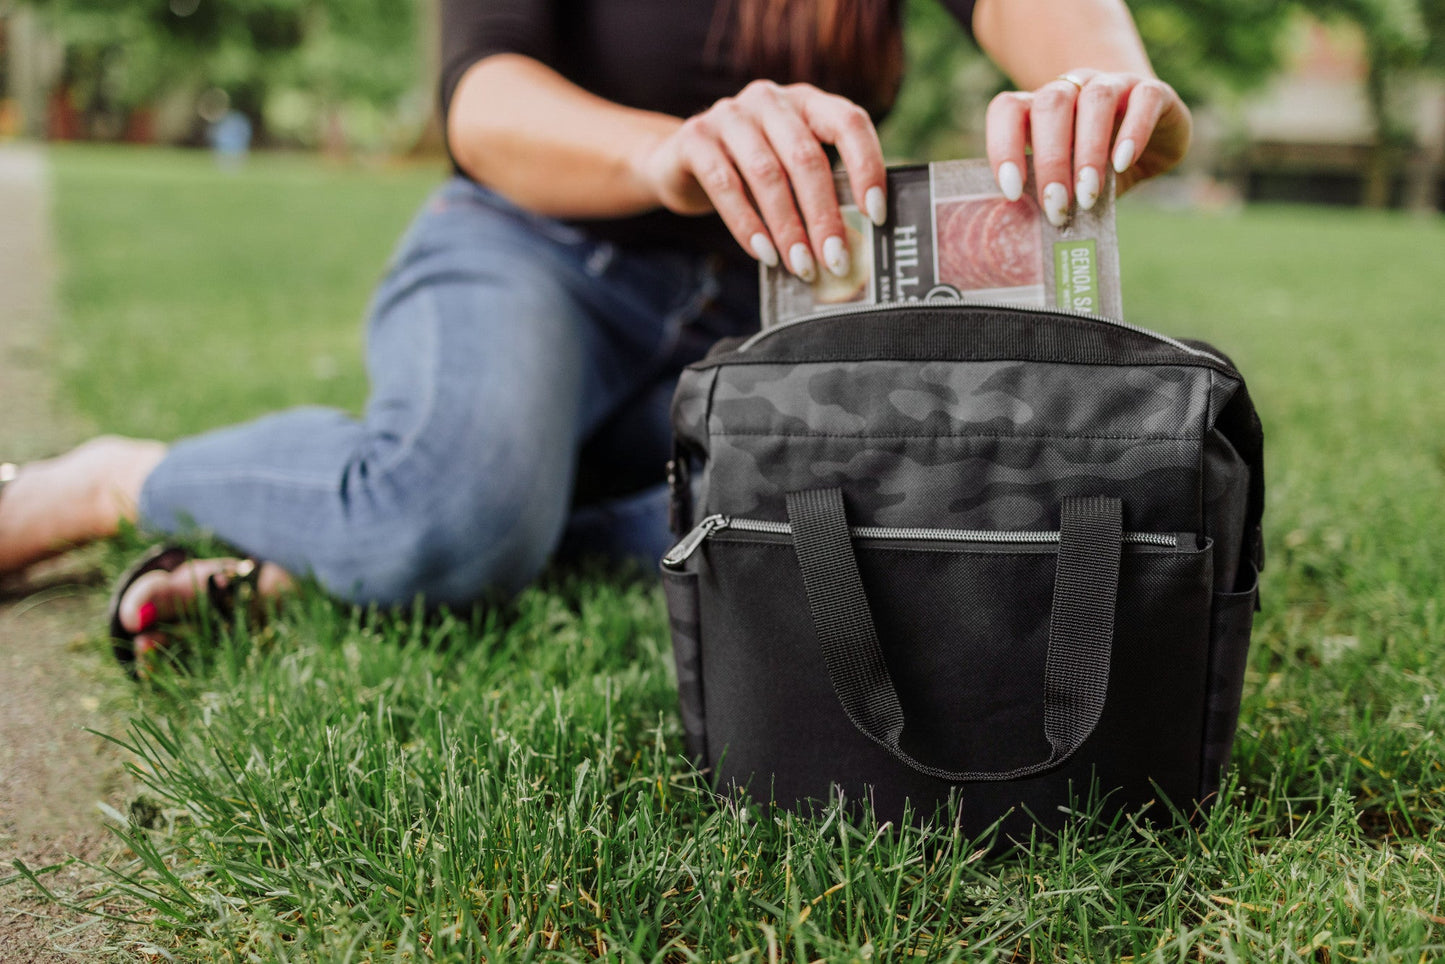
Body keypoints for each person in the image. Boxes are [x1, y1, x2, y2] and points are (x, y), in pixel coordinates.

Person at [0, 0, 1191, 668]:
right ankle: (110, 481)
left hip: (769, 302)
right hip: (531, 248)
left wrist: (1115, 101)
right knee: (446, 519)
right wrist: (657, 153)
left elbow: (1078, 34)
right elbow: (482, 96)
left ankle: (314, 554)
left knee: (884, 519)